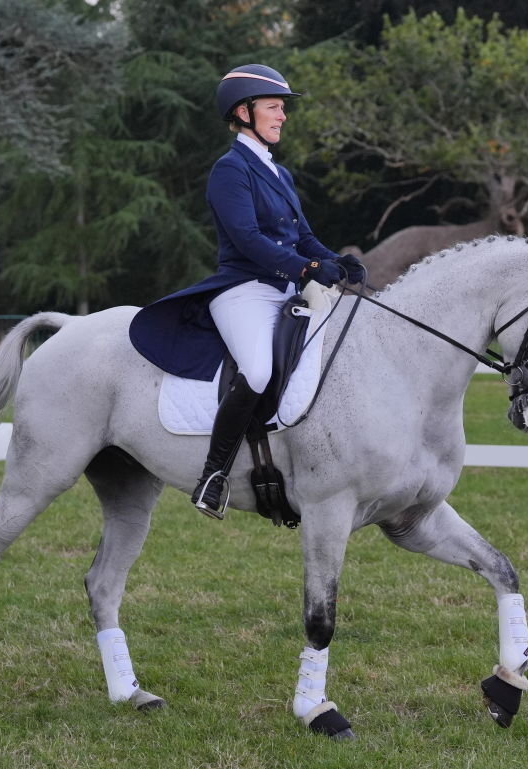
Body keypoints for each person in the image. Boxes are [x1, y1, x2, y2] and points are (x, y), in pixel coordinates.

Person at [128, 63, 365, 519]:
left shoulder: (281, 175)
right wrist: (309, 268)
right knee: (256, 372)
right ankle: (213, 476)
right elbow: (248, 240)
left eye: (282, 108)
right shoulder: (229, 170)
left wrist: (337, 260)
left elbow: (304, 237)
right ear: (244, 111)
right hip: (244, 290)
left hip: (285, 291)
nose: (283, 116)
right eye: (274, 107)